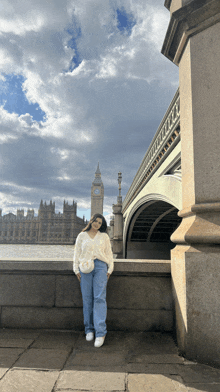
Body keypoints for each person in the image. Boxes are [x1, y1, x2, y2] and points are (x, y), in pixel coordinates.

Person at [73, 213, 114, 348]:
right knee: (87, 299)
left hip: (101, 267)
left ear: (102, 225)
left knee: (99, 298)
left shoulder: (104, 236)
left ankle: (101, 332)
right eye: (95, 221)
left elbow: (109, 254)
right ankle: (89, 329)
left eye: (100, 223)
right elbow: (76, 254)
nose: (97, 224)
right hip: (85, 267)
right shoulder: (81, 236)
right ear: (91, 221)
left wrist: (110, 270)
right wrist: (76, 270)